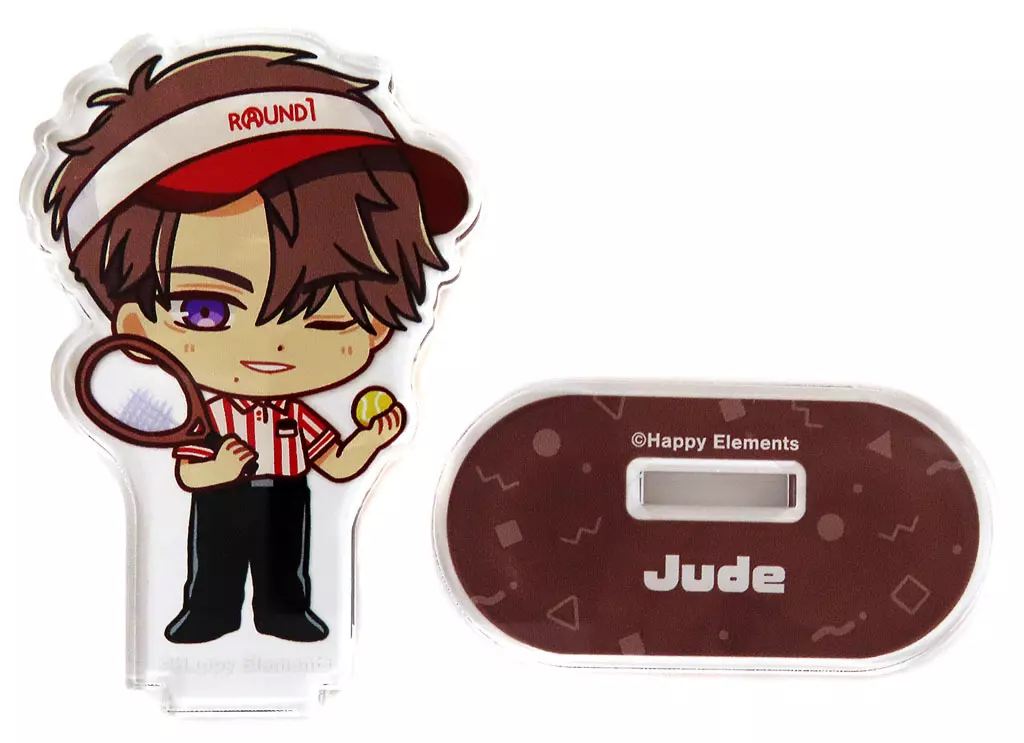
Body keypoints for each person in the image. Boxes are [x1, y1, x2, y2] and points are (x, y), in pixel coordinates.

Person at [42, 45, 470, 643]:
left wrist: (369, 440)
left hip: (288, 490)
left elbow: (336, 463)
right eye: (206, 310)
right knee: (212, 568)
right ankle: (208, 613)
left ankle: (284, 613)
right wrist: (213, 469)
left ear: (376, 329)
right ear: (136, 327)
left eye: (327, 315)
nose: (271, 346)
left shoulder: (296, 417)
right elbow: (188, 471)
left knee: (284, 569)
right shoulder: (200, 413)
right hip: (222, 494)